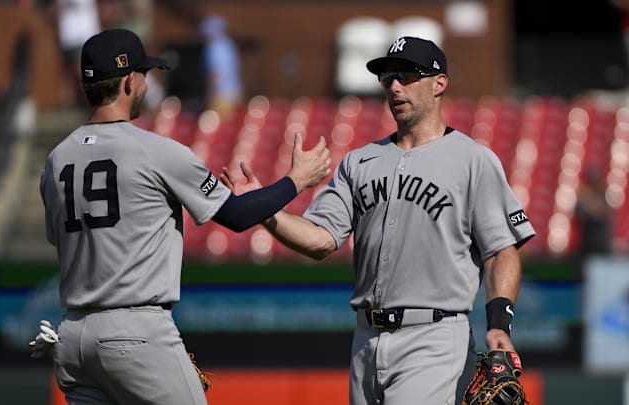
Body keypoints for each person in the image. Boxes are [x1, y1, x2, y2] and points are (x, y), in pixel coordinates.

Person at [221, 36, 536, 405]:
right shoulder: (360, 161)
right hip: (365, 340)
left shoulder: (473, 160)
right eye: (388, 78)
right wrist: (266, 210)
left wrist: (499, 324)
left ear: (439, 83)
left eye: (406, 75)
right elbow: (322, 239)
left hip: (432, 337)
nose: (395, 86)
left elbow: (501, 249)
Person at [38, 28, 331, 404]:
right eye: (144, 74)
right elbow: (238, 216)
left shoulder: (57, 158)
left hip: (74, 337)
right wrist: (296, 180)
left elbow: (57, 237)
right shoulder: (153, 150)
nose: (146, 83)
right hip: (136, 331)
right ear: (129, 81)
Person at [199, 14, 243, 117]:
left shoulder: (215, 47)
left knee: (219, 125)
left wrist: (209, 94)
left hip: (222, 93)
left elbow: (215, 72)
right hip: (235, 90)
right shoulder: (229, 44)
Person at [575, 167, 613, 258]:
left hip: (602, 246)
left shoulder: (604, 196)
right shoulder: (582, 198)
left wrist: (590, 202)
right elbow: (578, 216)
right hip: (587, 245)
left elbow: (601, 213)